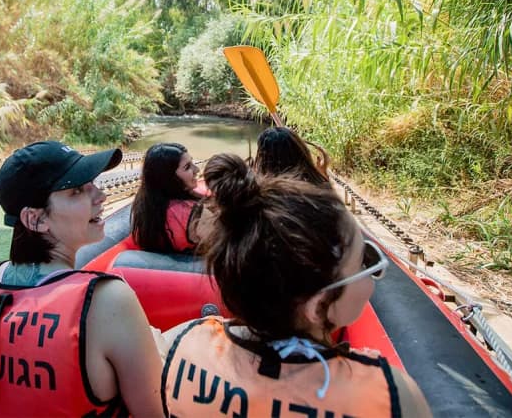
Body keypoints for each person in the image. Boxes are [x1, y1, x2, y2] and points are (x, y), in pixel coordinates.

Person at [162, 154, 431, 417]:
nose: (371, 270)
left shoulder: (186, 343)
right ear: (318, 307)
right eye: (363, 261)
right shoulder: (393, 396)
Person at [0, 141, 163, 417]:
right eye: (77, 191)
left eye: (92, 184)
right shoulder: (107, 300)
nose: (101, 195)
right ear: (36, 220)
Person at [131, 142, 202, 253]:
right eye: (187, 167)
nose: (197, 170)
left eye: (192, 163)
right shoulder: (194, 213)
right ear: (168, 177)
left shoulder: (144, 206)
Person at [253, 126, 332, 188]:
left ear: (262, 157)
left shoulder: (256, 194)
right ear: (301, 152)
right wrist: (322, 174)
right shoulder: (315, 190)